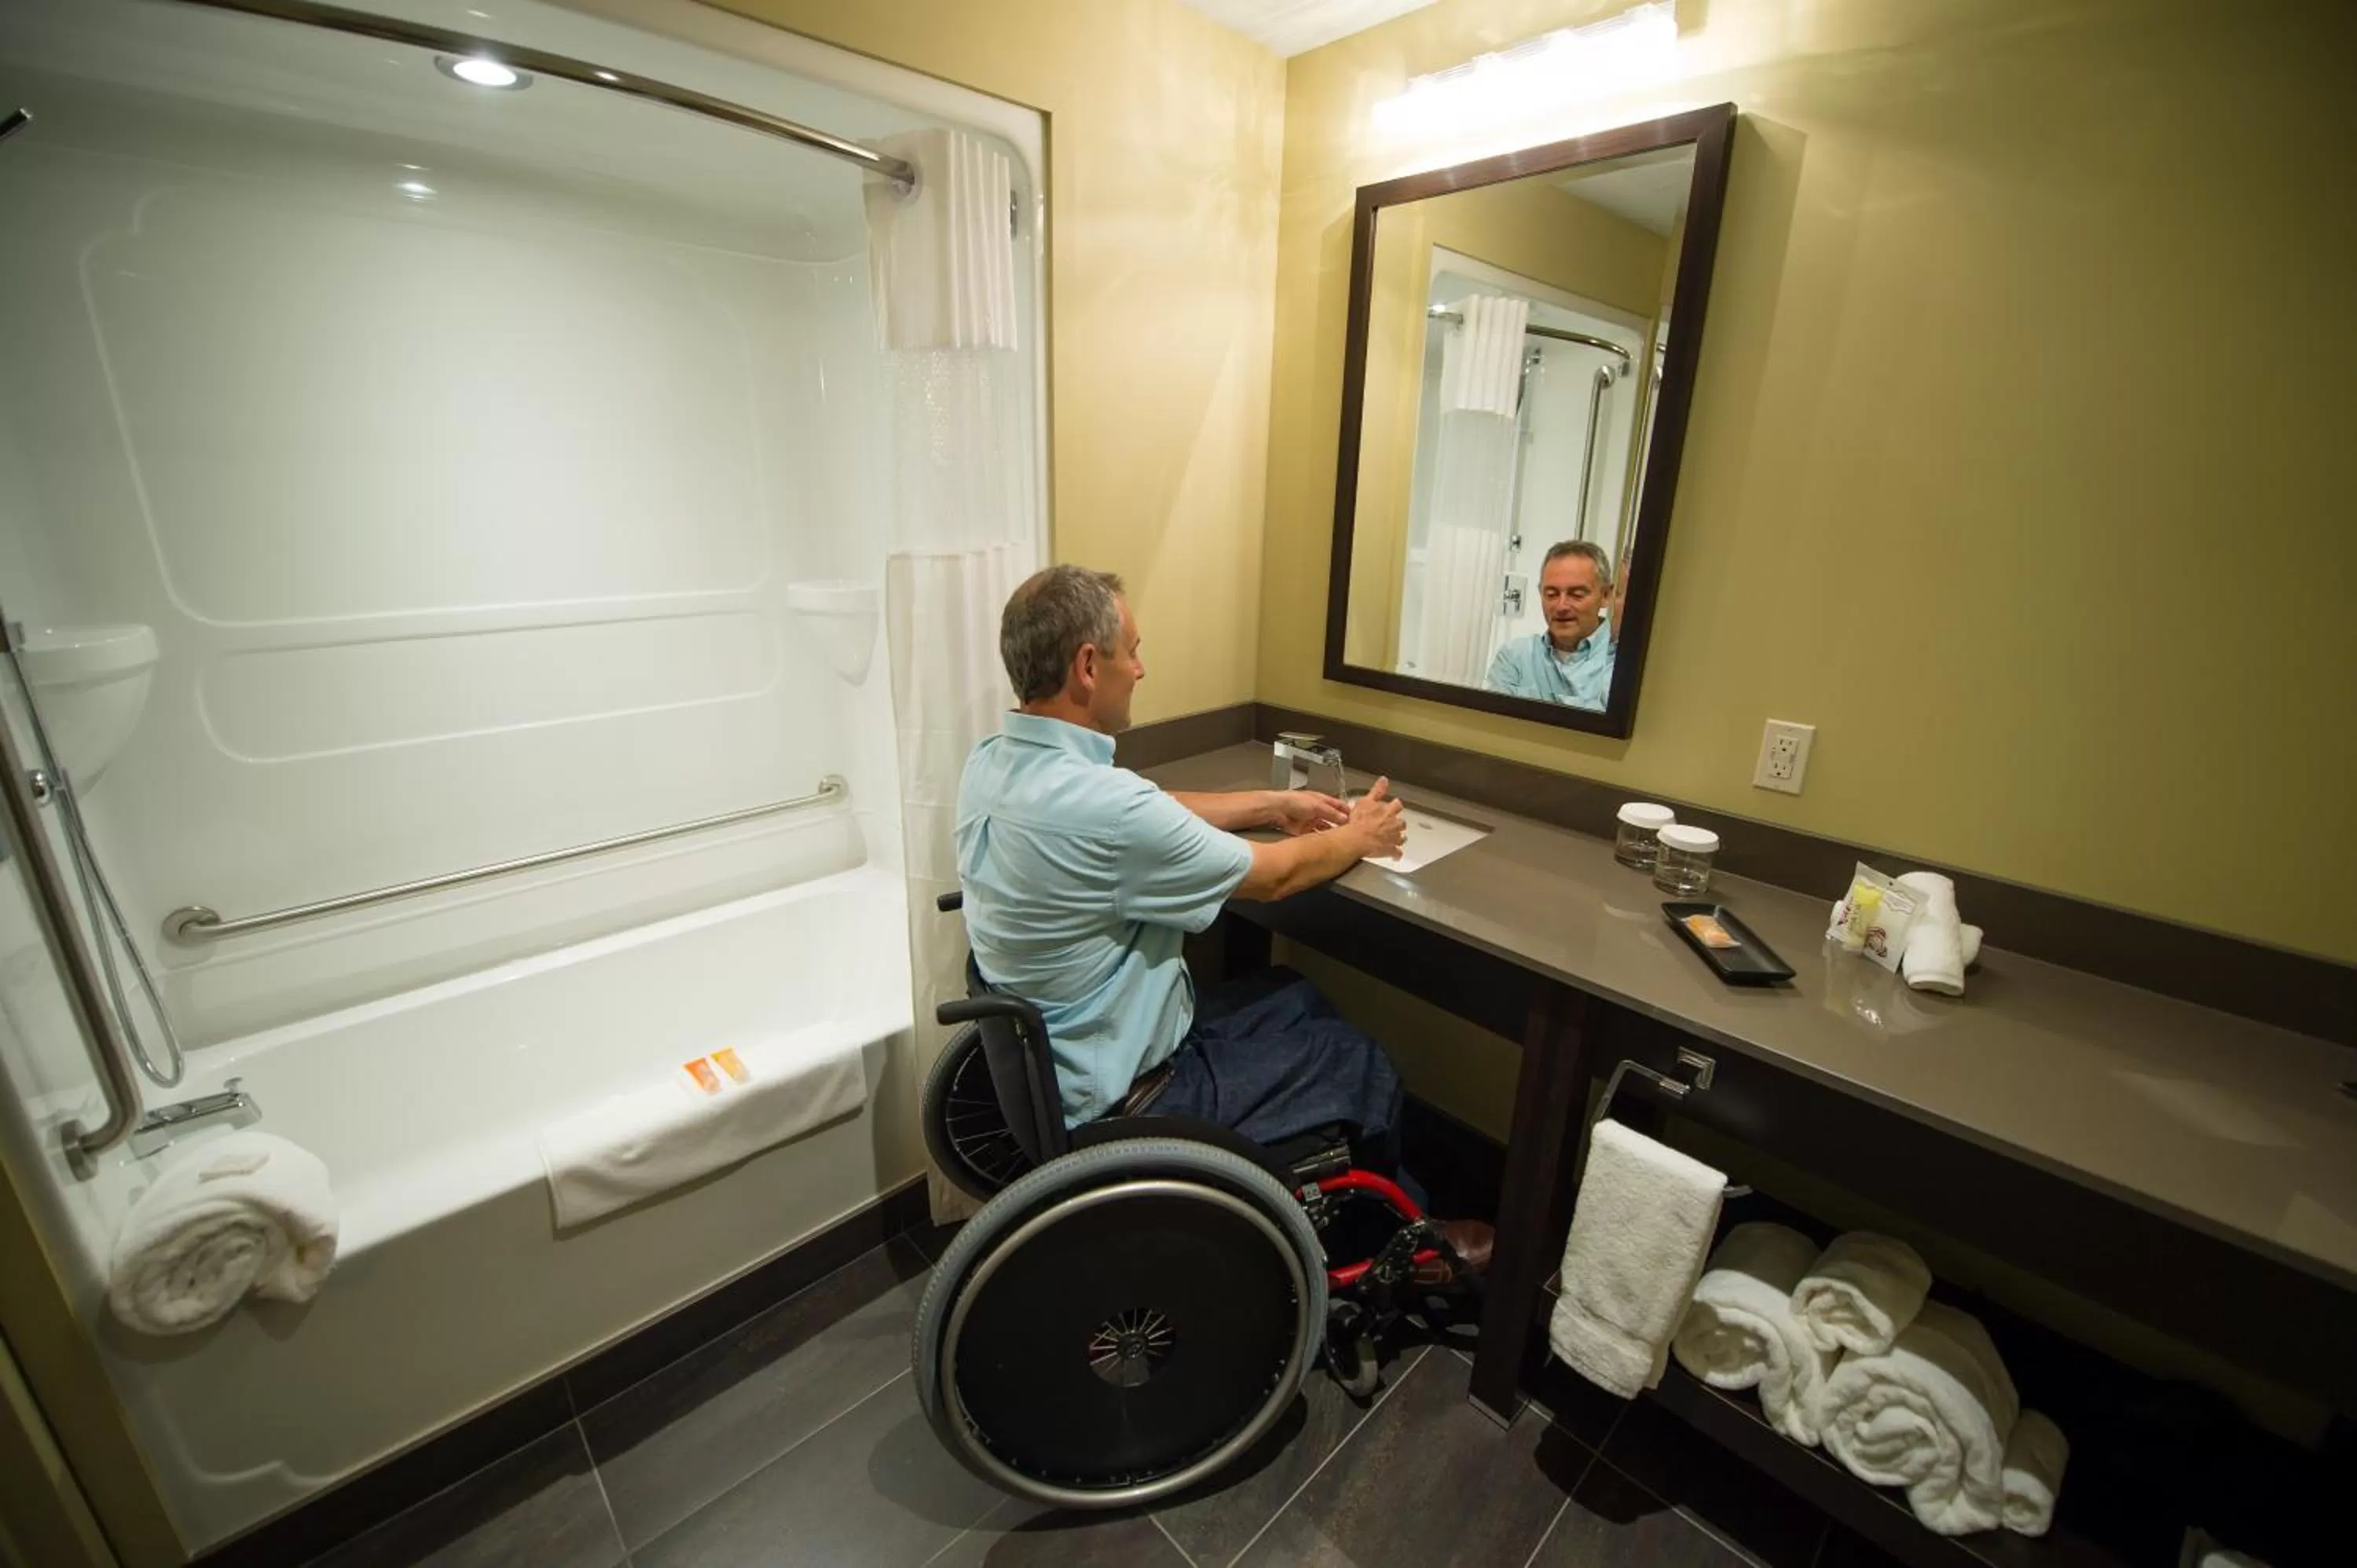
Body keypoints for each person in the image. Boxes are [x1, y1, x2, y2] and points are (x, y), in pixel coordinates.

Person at [956, 565, 1492, 1277]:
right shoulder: (1105, 809)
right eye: (1132, 652)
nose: (1140, 669)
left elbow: (1148, 805)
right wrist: (1360, 835)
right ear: (1087, 666)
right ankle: (1399, 1245)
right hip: (1135, 1097)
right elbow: (1276, 877)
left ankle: (1358, 1189)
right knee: (1362, 1063)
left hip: (1065, 1064)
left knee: (1294, 994)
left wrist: (1274, 805)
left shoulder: (994, 762)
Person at [1485, 540, 1616, 709]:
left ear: (1605, 596)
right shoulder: (1515, 657)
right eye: (1552, 594)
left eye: (1576, 594)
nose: (1561, 606)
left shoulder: (1622, 665)